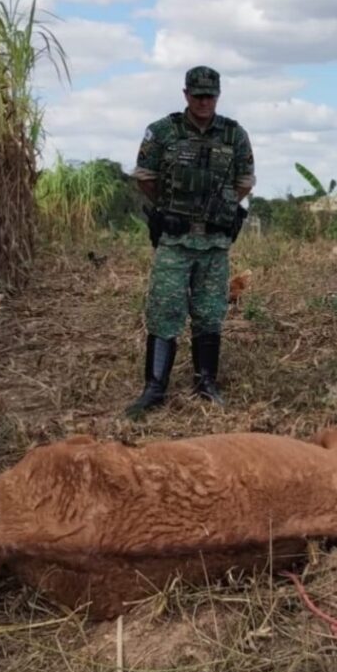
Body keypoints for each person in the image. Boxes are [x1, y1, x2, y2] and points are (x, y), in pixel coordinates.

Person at [125, 66, 255, 418]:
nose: (203, 101)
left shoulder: (233, 134)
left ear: (217, 95)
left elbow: (245, 181)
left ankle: (206, 384)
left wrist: (218, 206)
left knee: (210, 313)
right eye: (197, 95)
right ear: (185, 95)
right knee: (164, 311)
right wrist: (172, 209)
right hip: (175, 240)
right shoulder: (162, 132)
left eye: (209, 95)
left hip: (214, 243)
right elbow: (146, 179)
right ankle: (154, 388)